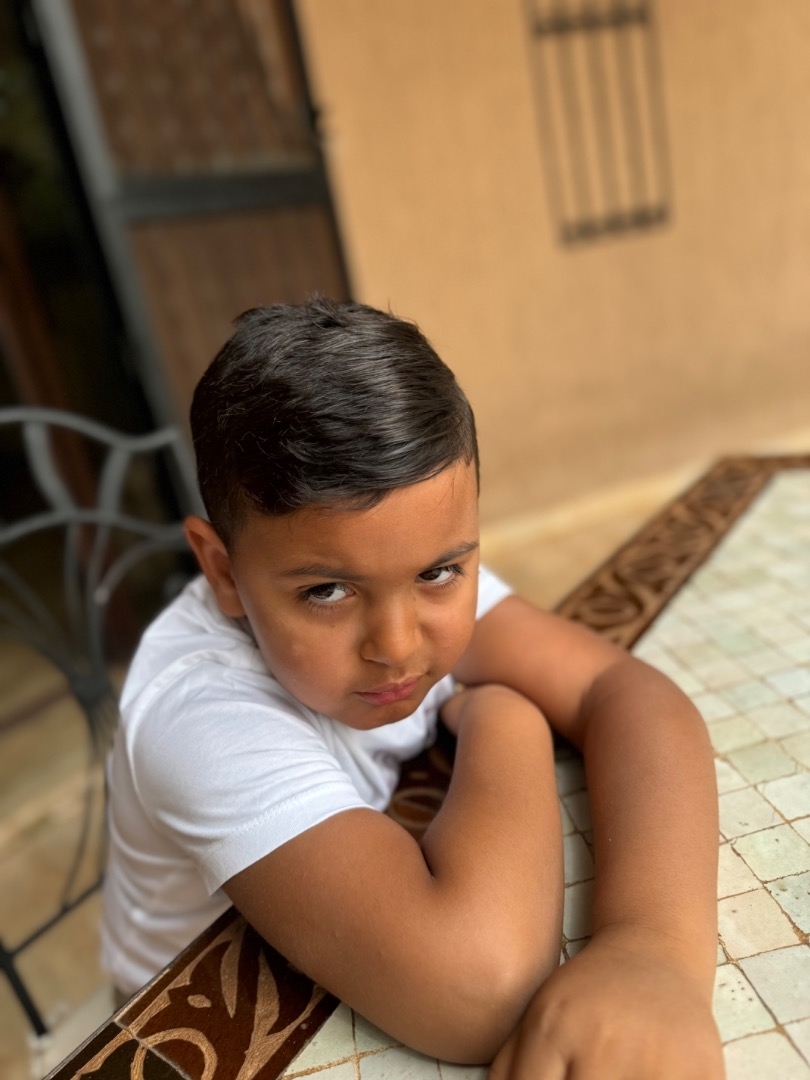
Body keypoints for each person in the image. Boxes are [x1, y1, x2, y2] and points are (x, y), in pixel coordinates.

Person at [102, 296, 724, 1078]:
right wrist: (508, 719)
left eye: (439, 572)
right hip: (185, 1031)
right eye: (327, 591)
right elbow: (480, 990)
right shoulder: (197, 716)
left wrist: (654, 950)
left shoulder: (395, 549)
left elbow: (626, 691)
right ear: (223, 571)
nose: (397, 646)